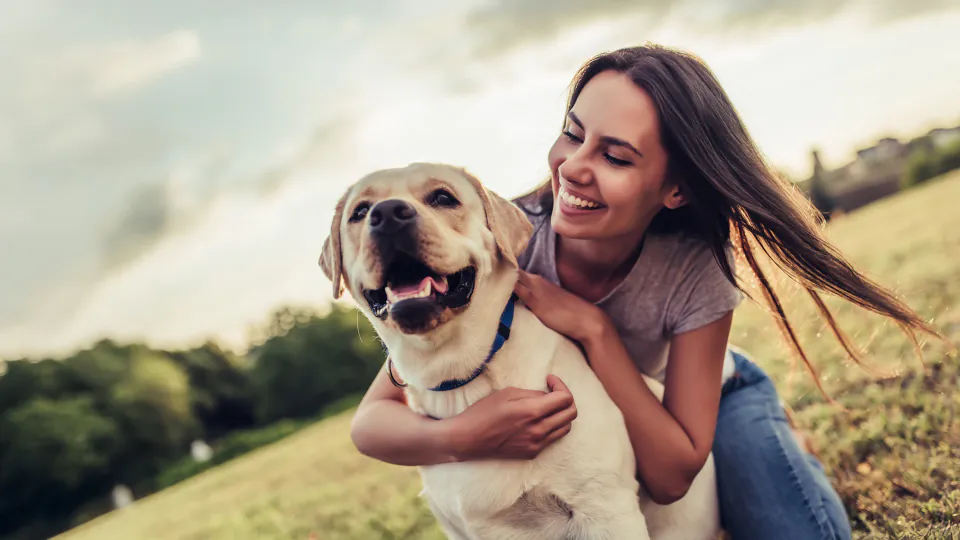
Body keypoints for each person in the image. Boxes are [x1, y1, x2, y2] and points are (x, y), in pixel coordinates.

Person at [347, 44, 938, 539]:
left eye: (615, 155)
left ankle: (782, 437)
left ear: (674, 189)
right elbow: (375, 416)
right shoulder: (499, 243)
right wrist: (462, 435)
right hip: (609, 430)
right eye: (572, 134)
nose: (574, 167)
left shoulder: (695, 267)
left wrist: (595, 330)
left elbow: (671, 474)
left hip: (710, 403)